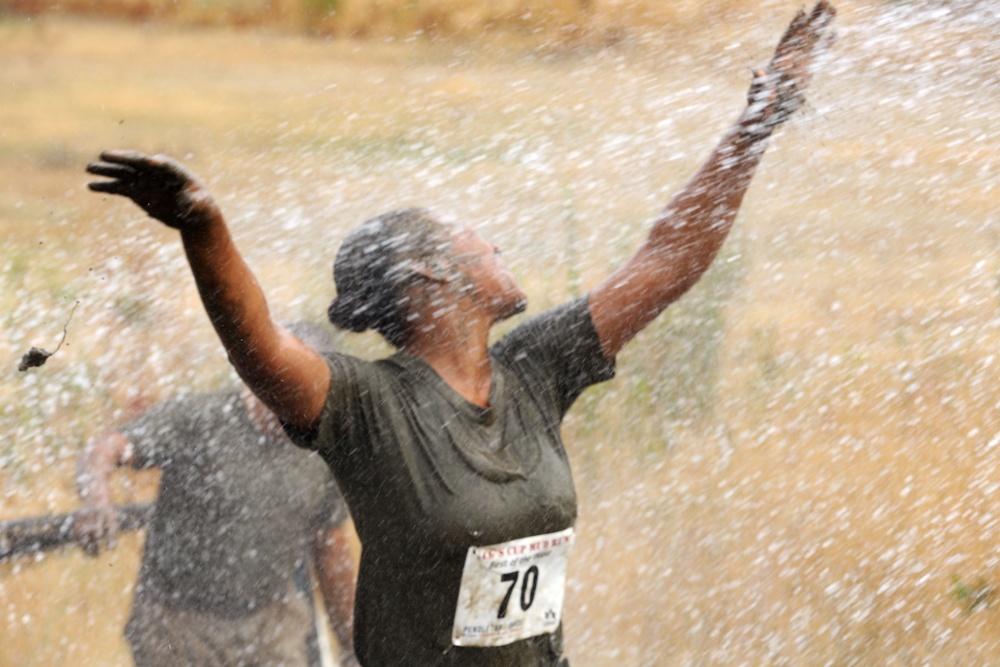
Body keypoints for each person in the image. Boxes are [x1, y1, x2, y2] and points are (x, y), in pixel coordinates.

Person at [84, 2, 835, 664]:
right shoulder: (365, 405)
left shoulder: (537, 368)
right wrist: (204, 228)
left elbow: (668, 257)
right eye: (474, 236)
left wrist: (758, 119)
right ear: (432, 277)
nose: (495, 242)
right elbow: (258, 347)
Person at [73, 321, 359, 667]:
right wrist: (97, 500)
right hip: (179, 625)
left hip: (271, 624)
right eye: (288, 388)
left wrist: (352, 647)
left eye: (312, 394)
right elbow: (105, 447)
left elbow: (329, 549)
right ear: (259, 374)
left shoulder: (320, 447)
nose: (299, 407)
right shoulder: (201, 419)